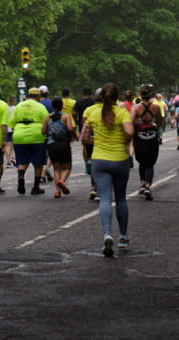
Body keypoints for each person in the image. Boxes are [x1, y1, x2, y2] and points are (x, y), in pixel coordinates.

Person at [80, 83, 133, 257]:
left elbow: (84, 138)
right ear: (117, 98)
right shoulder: (122, 113)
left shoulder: (93, 114)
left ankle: (107, 234)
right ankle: (123, 236)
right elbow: (129, 132)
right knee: (121, 199)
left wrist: (99, 139)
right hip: (119, 160)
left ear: (101, 96)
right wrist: (123, 137)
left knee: (104, 199)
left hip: (100, 161)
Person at [9, 87, 50, 196]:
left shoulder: (18, 106)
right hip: (36, 136)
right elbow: (47, 122)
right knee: (38, 163)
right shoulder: (41, 107)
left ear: (27, 95)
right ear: (38, 96)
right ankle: (36, 188)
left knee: (22, 161)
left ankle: (21, 175)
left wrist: (17, 134)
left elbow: (12, 124)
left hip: (19, 136)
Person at [41, 97, 76, 198]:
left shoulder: (48, 117)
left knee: (56, 169)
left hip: (52, 144)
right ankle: (62, 181)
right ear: (61, 106)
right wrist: (74, 135)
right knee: (67, 167)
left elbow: (43, 131)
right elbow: (70, 128)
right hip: (63, 144)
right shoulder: (65, 116)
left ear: (53, 106)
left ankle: (57, 190)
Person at [131, 84, 162, 200]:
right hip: (152, 136)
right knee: (150, 162)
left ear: (140, 95)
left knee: (142, 161)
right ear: (151, 95)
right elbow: (159, 121)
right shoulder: (156, 107)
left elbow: (131, 121)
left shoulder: (136, 107)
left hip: (140, 137)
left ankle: (142, 184)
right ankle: (148, 186)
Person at [72, 86, 96, 196]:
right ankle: (93, 163)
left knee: (85, 146)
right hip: (95, 125)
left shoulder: (79, 101)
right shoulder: (94, 101)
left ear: (82, 92)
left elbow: (73, 112)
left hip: (84, 125)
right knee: (94, 145)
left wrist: (76, 120)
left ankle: (87, 166)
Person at [4, 95, 17, 169]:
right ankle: (13, 158)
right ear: (14, 101)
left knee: (7, 145)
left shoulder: (6, 108)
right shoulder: (15, 108)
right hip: (13, 128)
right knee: (11, 145)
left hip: (6, 129)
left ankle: (9, 161)